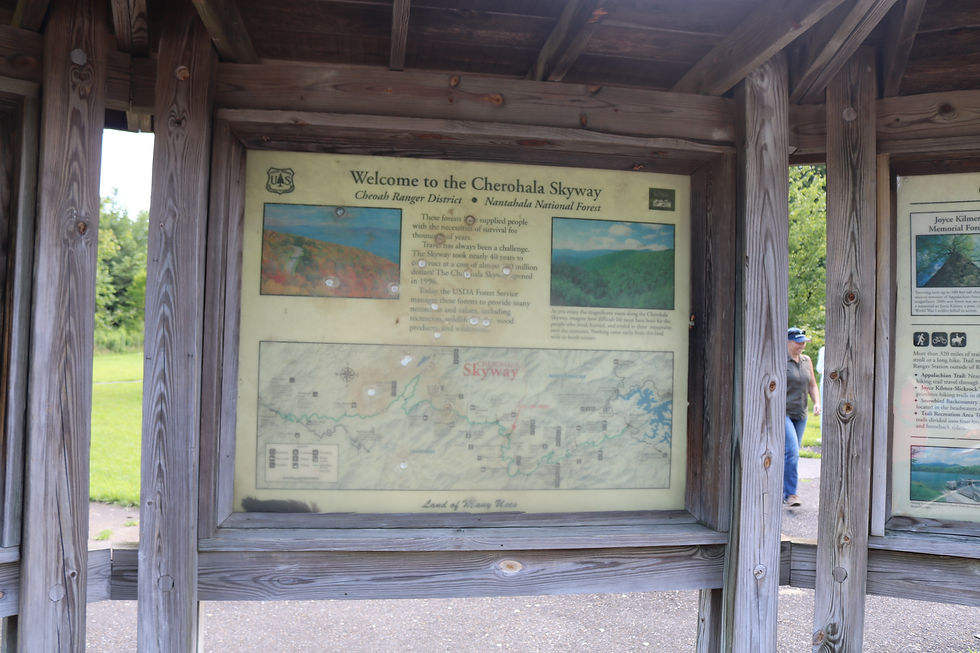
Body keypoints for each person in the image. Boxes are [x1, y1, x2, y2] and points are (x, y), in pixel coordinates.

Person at [785, 327, 820, 507]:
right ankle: (791, 494)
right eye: (798, 342)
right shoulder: (780, 360)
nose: (802, 345)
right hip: (783, 413)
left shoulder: (807, 360)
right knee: (792, 453)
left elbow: (812, 385)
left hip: (801, 414)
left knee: (791, 454)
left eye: (803, 342)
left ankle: (781, 489)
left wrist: (817, 402)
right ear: (788, 342)